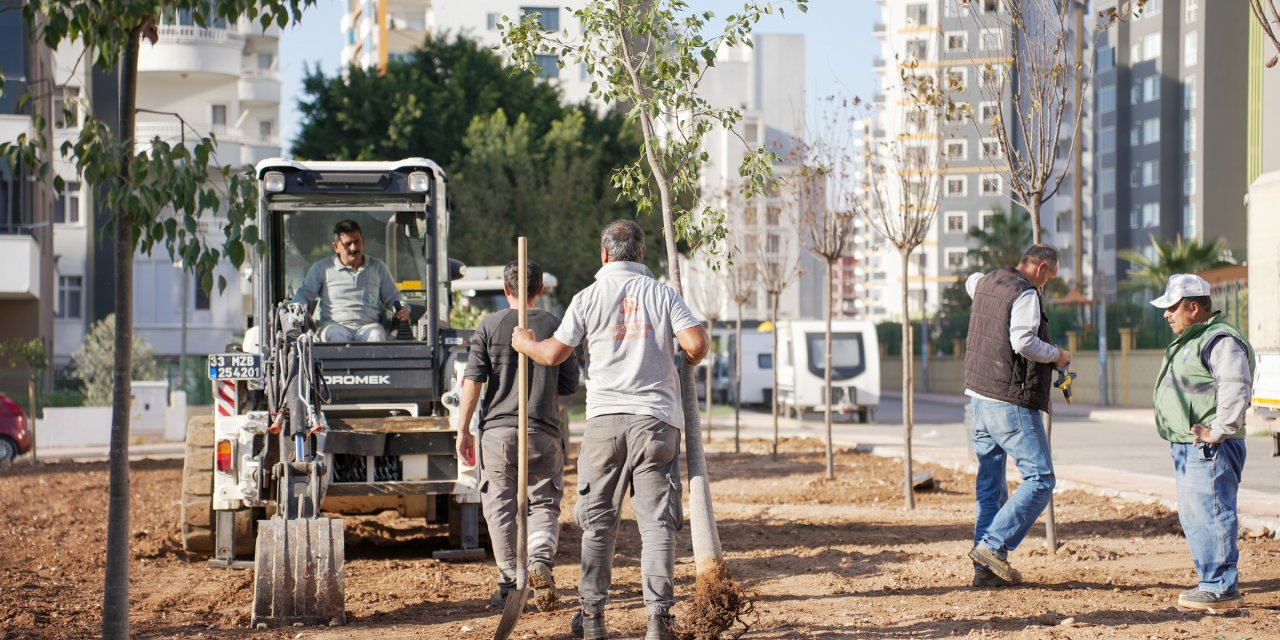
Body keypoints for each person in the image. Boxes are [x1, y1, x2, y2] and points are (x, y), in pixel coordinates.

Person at [512, 219, 709, 640]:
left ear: (604, 255)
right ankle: (658, 621)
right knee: (656, 525)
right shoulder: (662, 293)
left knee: (598, 524)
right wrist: (683, 364)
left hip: (604, 424)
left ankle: (594, 619)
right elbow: (695, 345)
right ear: (640, 254)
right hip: (655, 423)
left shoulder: (587, 298)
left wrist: (523, 342)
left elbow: (551, 354)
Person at [454, 260, 579, 611]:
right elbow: (569, 383)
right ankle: (539, 560)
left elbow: (473, 382)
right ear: (539, 290)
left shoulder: (489, 326)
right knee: (543, 501)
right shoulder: (557, 326)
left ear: (506, 290)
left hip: (497, 434)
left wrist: (463, 429)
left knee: (500, 505)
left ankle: (511, 581)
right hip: (542, 430)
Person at [962, 244, 1072, 588]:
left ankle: (986, 572)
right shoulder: (1026, 294)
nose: (1046, 285)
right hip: (1008, 400)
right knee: (1041, 478)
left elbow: (971, 281)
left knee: (990, 487)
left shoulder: (985, 281)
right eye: (1049, 278)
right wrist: (1057, 355)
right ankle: (993, 548)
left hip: (976, 400)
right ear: (1040, 268)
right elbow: (1023, 341)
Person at [1150, 274, 1254, 610]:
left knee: (1211, 513)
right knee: (1197, 516)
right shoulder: (1195, 338)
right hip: (1190, 446)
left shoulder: (1219, 339)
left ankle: (1221, 587)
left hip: (1211, 446)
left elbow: (1236, 386)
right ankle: (1212, 582)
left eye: (1171, 307)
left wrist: (1218, 430)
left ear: (1193, 307)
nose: (1166, 314)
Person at [292, 219, 410, 341]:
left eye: (357, 242)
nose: (353, 248)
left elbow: (394, 298)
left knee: (377, 335)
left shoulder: (378, 267)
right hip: (334, 326)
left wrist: (403, 309)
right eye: (347, 244)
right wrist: (296, 311)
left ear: (363, 242)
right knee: (334, 335)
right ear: (336, 247)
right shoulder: (322, 268)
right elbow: (304, 295)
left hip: (367, 327)